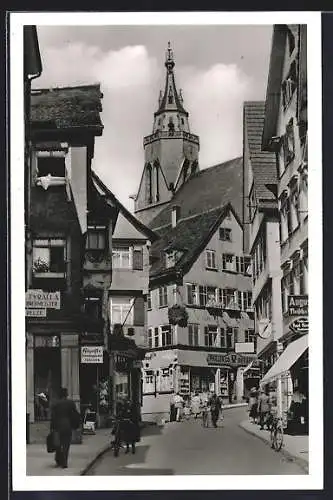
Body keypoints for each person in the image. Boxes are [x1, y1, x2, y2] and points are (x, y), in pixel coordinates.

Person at [50, 387, 81, 468]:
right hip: (67, 426)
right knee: (66, 444)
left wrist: (52, 428)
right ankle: (64, 462)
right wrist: (75, 425)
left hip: (57, 426)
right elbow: (74, 415)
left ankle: (58, 459)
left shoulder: (55, 404)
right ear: (66, 394)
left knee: (58, 444)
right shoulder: (70, 403)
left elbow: (53, 417)